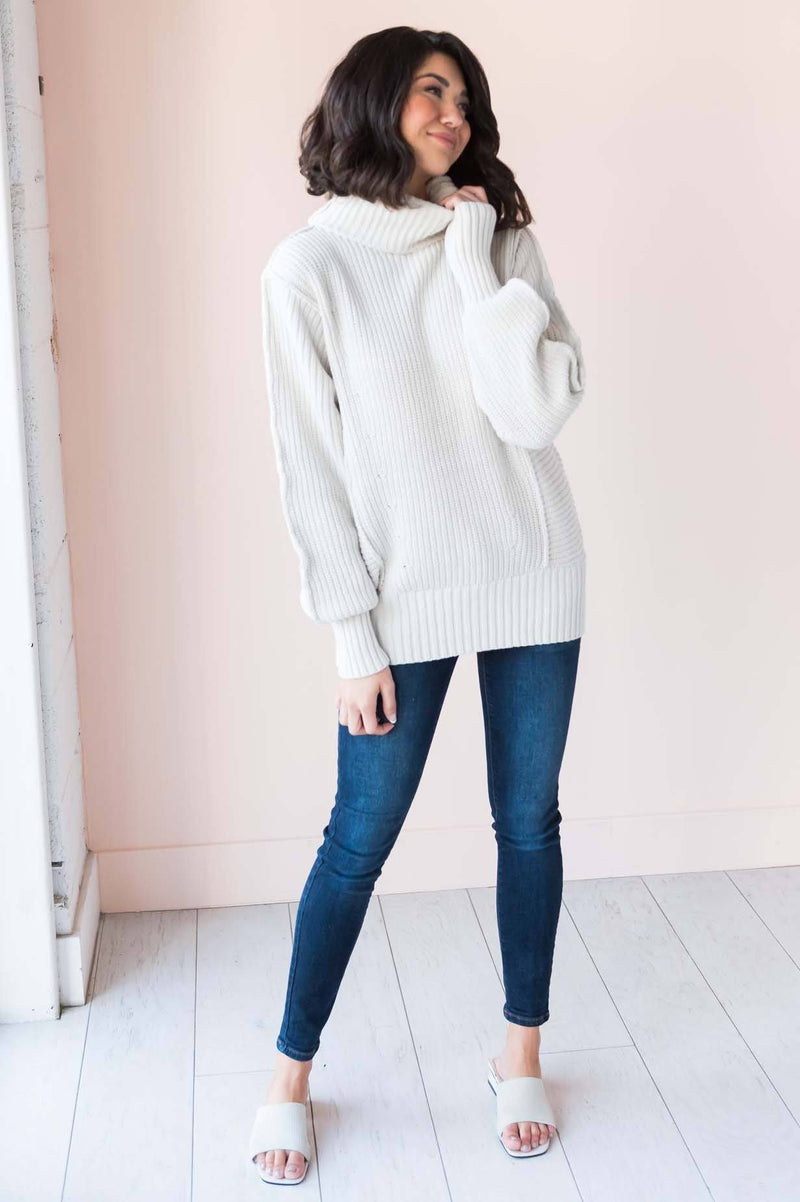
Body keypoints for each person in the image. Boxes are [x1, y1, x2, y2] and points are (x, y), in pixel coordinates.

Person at [250, 24, 587, 1185]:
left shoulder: (498, 238)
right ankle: (288, 1073)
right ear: (372, 101)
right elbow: (310, 468)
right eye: (429, 92)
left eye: (464, 98)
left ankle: (519, 1051)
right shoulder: (307, 270)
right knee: (358, 839)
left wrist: (473, 257)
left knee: (528, 822)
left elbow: (533, 413)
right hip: (400, 600)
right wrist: (351, 636)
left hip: (531, 572)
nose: (453, 114)